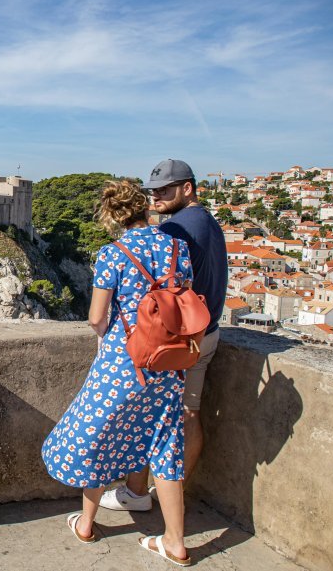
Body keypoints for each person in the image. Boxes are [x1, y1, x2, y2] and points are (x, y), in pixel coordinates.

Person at [41, 180, 194, 566]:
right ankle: (175, 541)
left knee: (98, 434)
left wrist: (109, 331)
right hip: (169, 363)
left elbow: (96, 317)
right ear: (145, 207)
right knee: (165, 445)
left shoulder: (113, 254)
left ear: (112, 216)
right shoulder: (178, 247)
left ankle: (87, 524)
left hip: (123, 364)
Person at [100, 159, 227, 513]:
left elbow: (155, 295)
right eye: (152, 191)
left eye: (165, 190)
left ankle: (143, 494)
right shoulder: (208, 222)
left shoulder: (176, 232)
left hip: (176, 340)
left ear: (187, 188)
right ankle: (157, 492)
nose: (156, 196)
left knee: (156, 416)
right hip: (206, 332)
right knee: (188, 413)